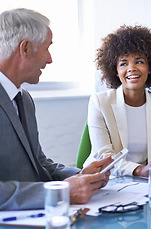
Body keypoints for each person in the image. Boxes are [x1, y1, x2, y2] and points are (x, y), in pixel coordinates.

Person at [0, 8, 113, 210]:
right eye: (47, 47)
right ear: (25, 48)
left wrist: (79, 175)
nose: (50, 59)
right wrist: (59, 192)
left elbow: (38, 160)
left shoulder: (24, 99)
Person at [83, 25, 151, 177]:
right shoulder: (99, 102)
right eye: (123, 63)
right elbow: (104, 156)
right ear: (116, 71)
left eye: (139, 61)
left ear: (150, 67)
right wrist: (139, 170)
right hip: (105, 179)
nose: (131, 68)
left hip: (145, 181)